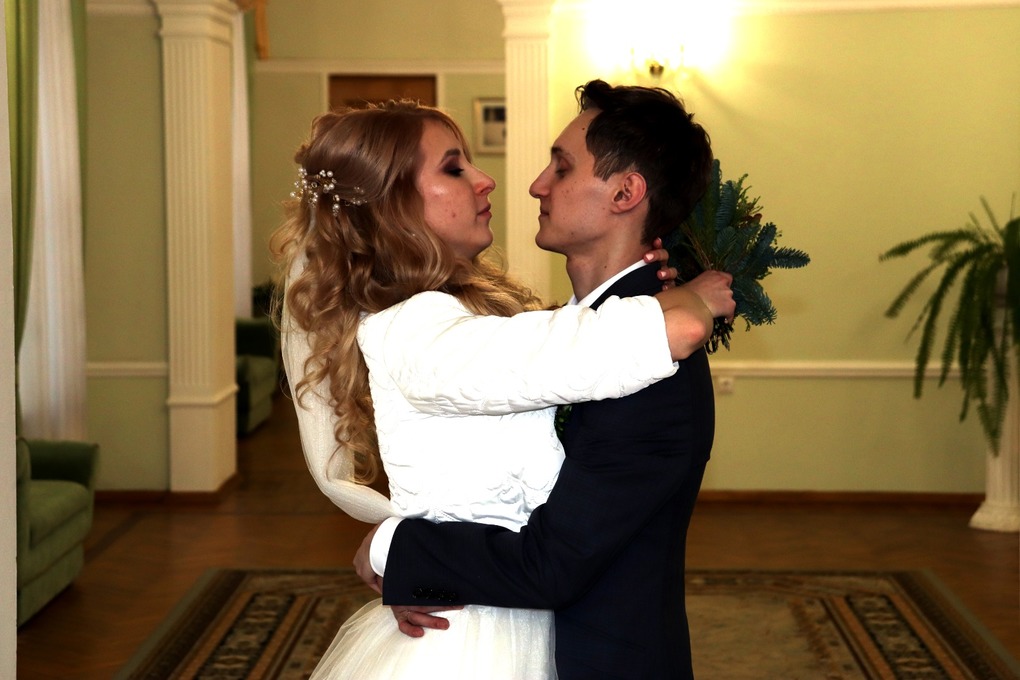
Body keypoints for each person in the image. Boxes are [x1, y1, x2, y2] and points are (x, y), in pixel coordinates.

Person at [272, 99, 734, 680]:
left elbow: (553, 560)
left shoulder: (525, 333)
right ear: (394, 206)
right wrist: (692, 300)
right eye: (454, 167)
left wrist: (398, 550)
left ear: (626, 193)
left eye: (561, 166)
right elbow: (636, 338)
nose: (507, 181)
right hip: (473, 640)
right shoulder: (419, 331)